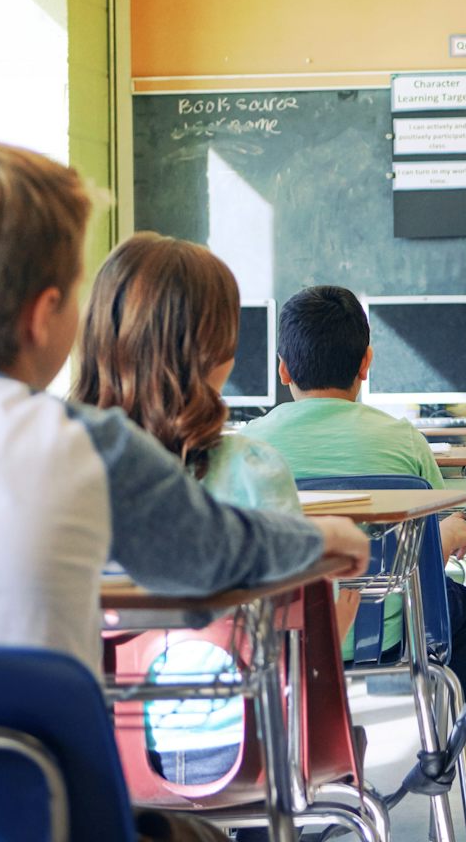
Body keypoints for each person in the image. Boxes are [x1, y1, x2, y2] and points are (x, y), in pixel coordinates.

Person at [0, 138, 369, 841]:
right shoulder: (86, 444)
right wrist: (322, 538)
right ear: (42, 315)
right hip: (60, 812)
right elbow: (211, 553)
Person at [243, 286, 466, 830]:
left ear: (282, 370)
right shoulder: (401, 441)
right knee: (455, 610)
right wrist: (452, 532)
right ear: (367, 362)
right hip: (394, 631)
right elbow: (434, 542)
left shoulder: (249, 446)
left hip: (282, 637)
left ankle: (296, 770)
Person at [74, 232, 311, 787]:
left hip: (78, 749)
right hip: (230, 753)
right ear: (220, 352)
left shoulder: (46, 462)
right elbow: (296, 637)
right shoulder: (254, 469)